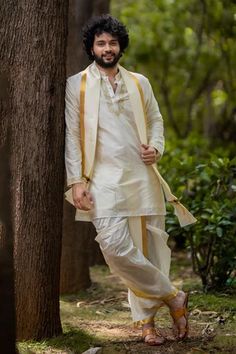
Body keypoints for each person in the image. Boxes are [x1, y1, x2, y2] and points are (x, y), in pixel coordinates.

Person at [65, 14, 196, 346]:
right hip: (102, 180)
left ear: (120, 45)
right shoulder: (76, 85)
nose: (107, 48)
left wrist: (157, 148)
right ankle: (173, 297)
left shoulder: (140, 82)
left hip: (141, 176)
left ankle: (148, 325)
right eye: (101, 43)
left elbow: (155, 120)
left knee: (148, 251)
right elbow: (73, 137)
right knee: (116, 248)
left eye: (112, 42)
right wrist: (76, 180)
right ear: (91, 47)